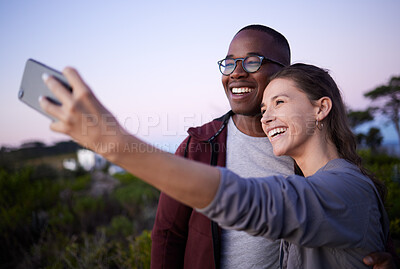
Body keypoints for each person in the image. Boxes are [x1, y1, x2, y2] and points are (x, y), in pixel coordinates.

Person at [38, 63, 393, 268]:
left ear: (321, 108)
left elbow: (251, 203)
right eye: (264, 108)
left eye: (280, 101)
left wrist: (113, 144)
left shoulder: (346, 187)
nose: (267, 117)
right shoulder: (329, 181)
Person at [151, 24, 295, 269]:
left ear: (285, 74)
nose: (236, 73)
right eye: (229, 64)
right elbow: (168, 235)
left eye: (252, 62)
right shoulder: (199, 146)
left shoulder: (305, 145)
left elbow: (351, 212)